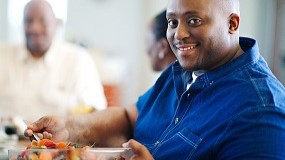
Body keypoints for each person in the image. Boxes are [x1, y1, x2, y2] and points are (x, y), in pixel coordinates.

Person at [25, 0, 285, 159]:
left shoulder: (261, 110)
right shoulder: (183, 73)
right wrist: (70, 128)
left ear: (232, 24)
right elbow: (129, 118)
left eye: (193, 20)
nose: (179, 34)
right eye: (173, 22)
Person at [0, 0, 107, 122]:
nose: (35, 28)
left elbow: (97, 114)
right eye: (28, 21)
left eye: (43, 21)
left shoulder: (79, 60)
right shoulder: (3, 56)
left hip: (60, 140)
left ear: (56, 24)